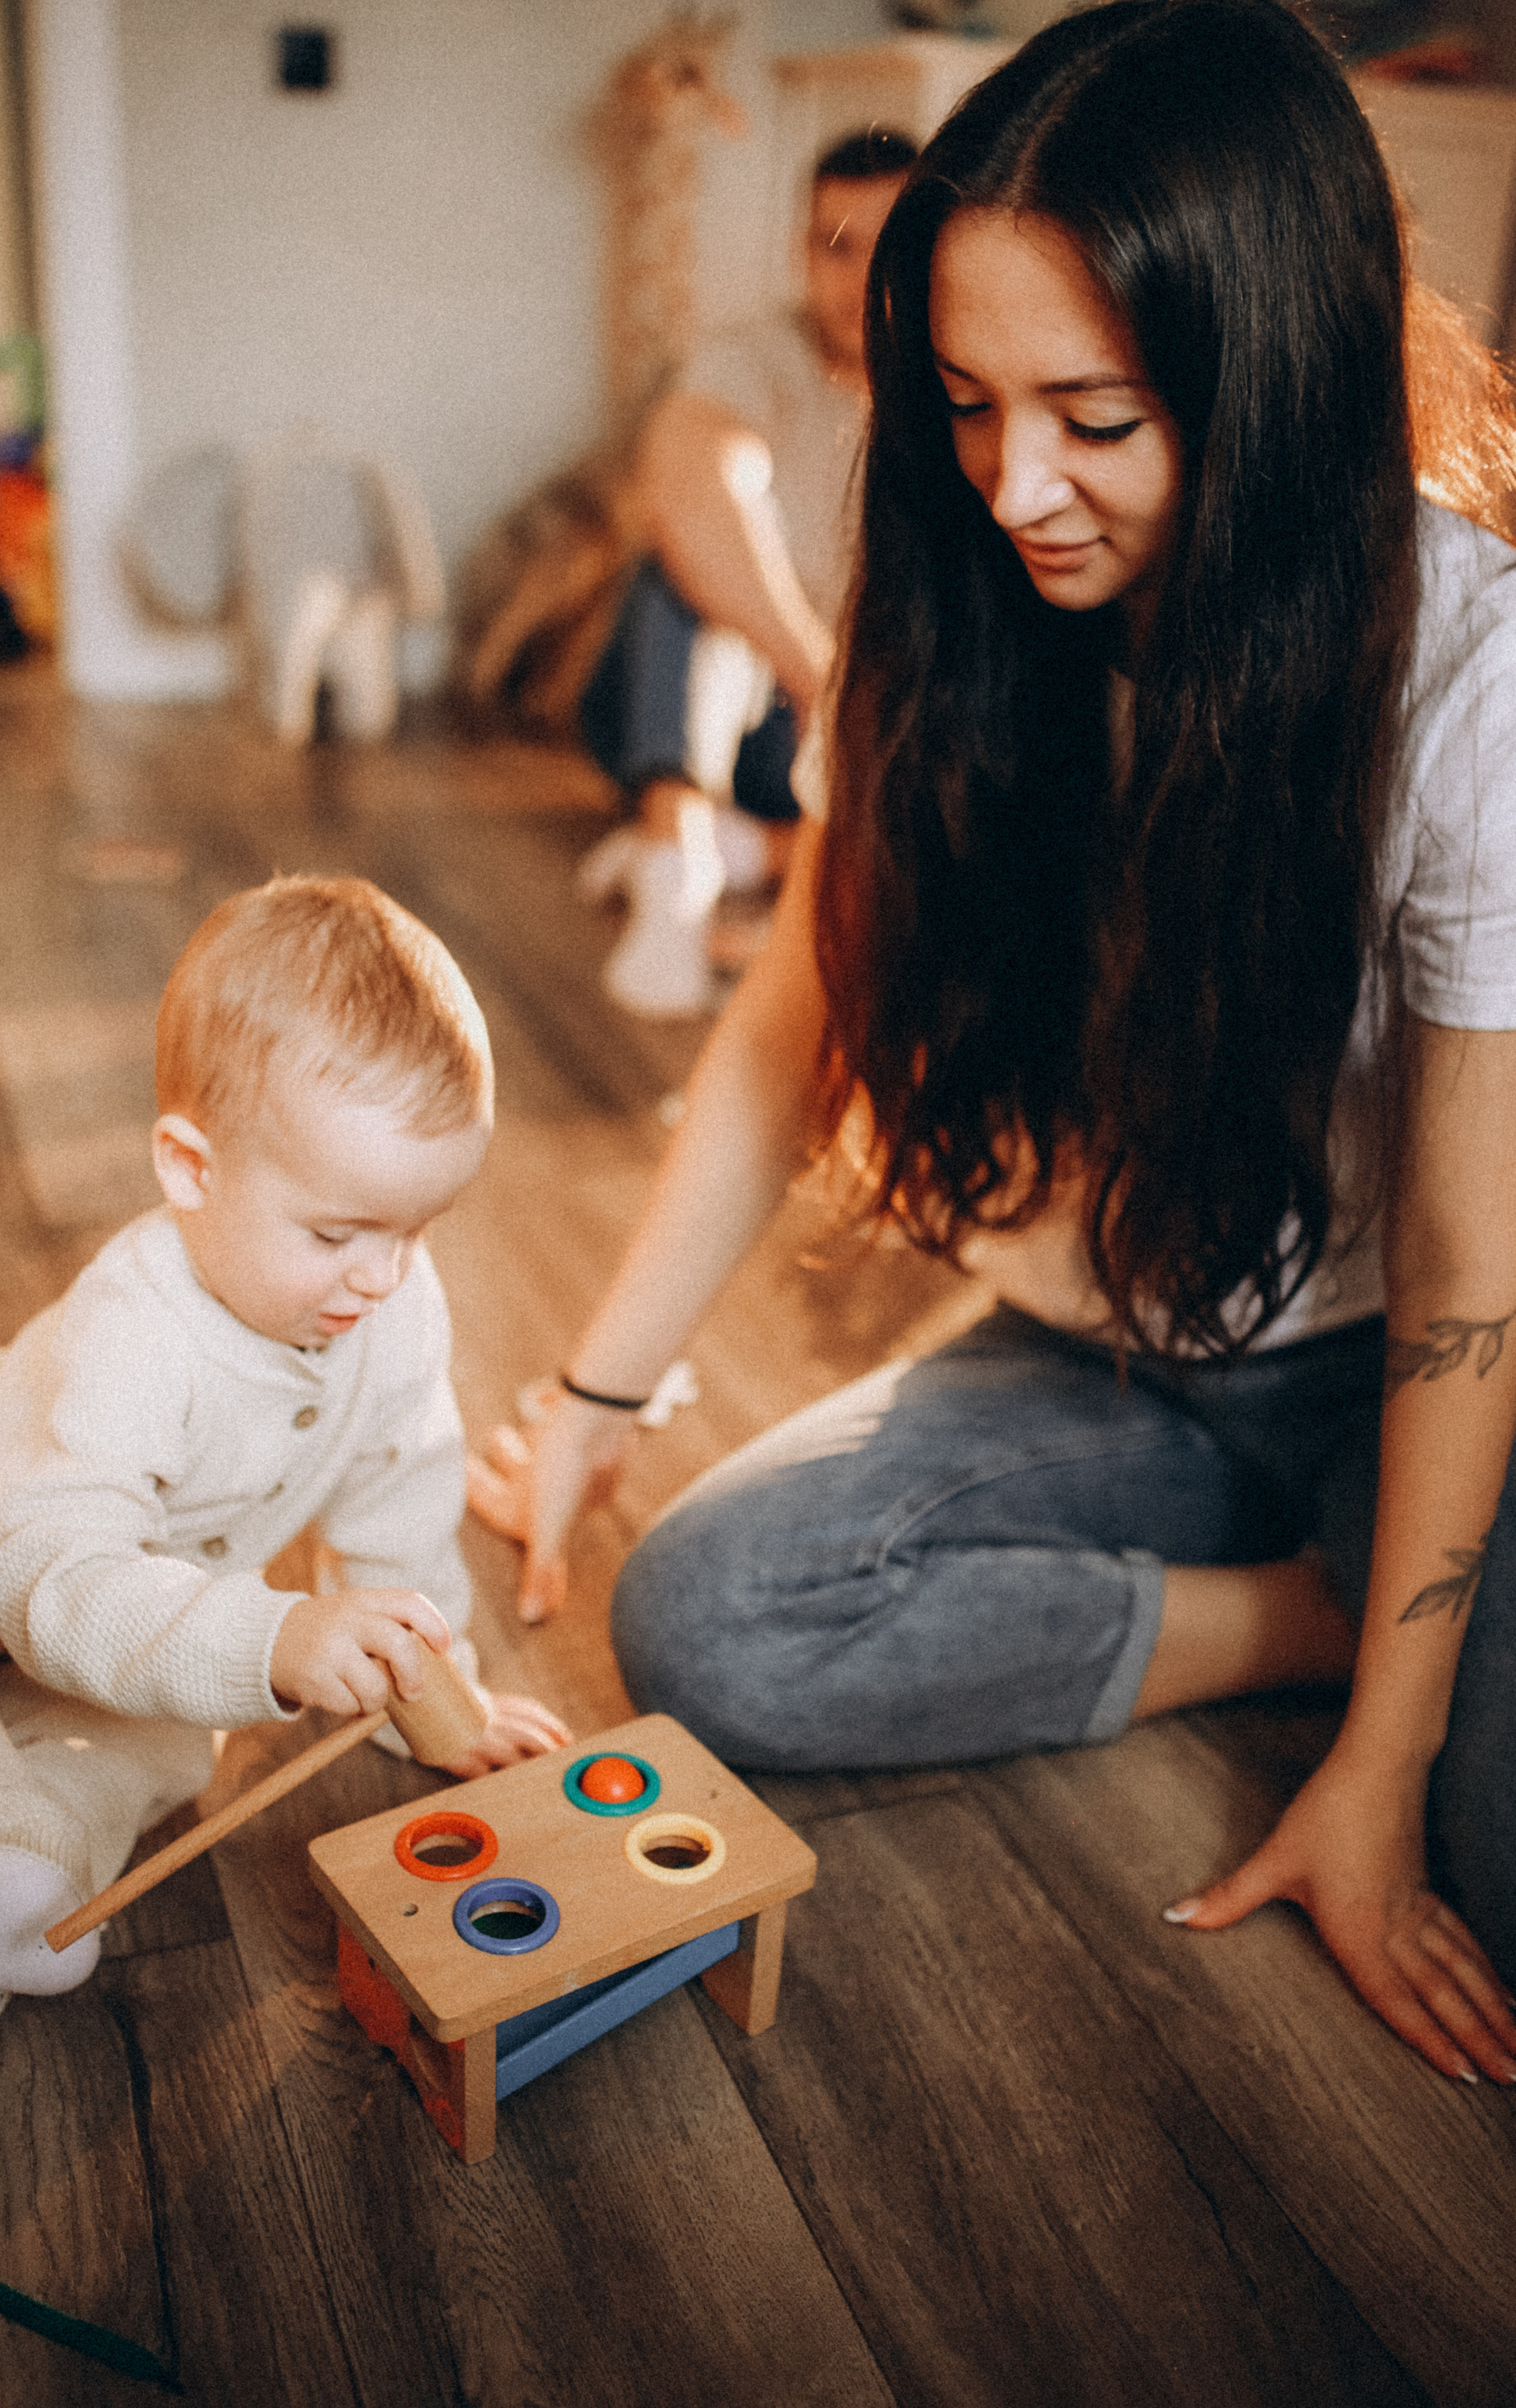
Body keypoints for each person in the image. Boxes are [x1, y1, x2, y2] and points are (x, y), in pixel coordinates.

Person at [469, 0, 1516, 2087]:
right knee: (709, 1624)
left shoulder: (1468, 675)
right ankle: (1307, 1616)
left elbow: (1481, 1276)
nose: (1014, 484)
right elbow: (799, 1016)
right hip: (1113, 1342)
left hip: (1411, 1355)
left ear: (1277, 380)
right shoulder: (961, 580)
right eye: (962, 401)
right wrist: (601, 1382)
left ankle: (1382, 1636)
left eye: (1094, 418)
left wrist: (1386, 1782)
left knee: (1492, 1854)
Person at [0, 875, 567, 2107]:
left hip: (124, 1620)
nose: (380, 1276)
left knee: (164, 1748)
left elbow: (404, 1498)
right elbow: (40, 1575)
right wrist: (272, 1634)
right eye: (335, 1234)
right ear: (189, 1168)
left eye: (414, 1232)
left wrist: (433, 1688)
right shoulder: (130, 1331)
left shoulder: (387, 1306)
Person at [578, 127, 916, 1017]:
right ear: (802, 251)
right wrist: (819, 672)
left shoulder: (949, 391)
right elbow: (689, 489)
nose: (856, 277)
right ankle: (681, 861)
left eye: (886, 247)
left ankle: (727, 852)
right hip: (739, 704)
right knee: (675, 575)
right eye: (833, 246)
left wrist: (852, 700)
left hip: (848, 741)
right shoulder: (753, 358)